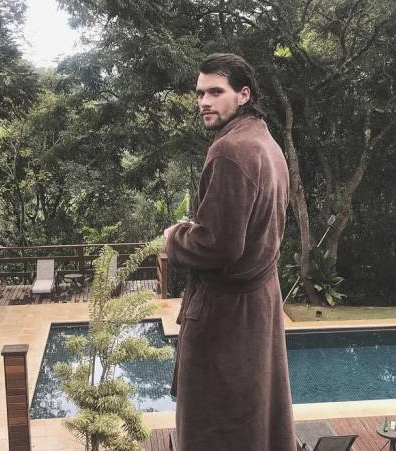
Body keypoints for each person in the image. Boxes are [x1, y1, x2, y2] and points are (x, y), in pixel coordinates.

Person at [164, 53, 295, 451]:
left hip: (226, 317)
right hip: (258, 304)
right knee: (253, 416)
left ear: (243, 94)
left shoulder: (230, 151)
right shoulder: (266, 143)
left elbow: (218, 246)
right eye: (200, 93)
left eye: (215, 92)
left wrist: (174, 237)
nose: (204, 102)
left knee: (216, 425)